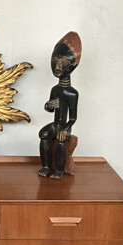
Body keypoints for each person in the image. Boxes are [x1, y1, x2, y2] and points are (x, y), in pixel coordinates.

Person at [38, 31, 81, 179]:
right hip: (55, 124)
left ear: (73, 65)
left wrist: (66, 128)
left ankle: (60, 170)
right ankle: (46, 166)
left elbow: (73, 117)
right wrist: (48, 105)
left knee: (61, 138)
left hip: (64, 126)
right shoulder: (55, 90)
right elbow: (50, 110)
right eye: (55, 61)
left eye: (63, 63)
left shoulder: (72, 93)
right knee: (43, 135)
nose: (57, 67)